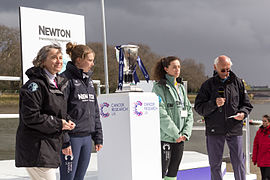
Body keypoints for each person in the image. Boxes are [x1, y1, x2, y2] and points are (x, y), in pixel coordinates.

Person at [15, 44, 76, 180]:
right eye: (54, 57)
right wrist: (59, 123)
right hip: (36, 149)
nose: (59, 61)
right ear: (42, 61)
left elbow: (57, 112)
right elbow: (31, 116)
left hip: (48, 146)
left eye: (60, 57)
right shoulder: (34, 85)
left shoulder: (58, 83)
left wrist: (67, 121)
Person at [194, 55, 253, 180]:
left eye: (228, 69)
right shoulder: (207, 85)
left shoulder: (238, 83)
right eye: (223, 70)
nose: (226, 73)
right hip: (214, 130)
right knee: (215, 164)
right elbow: (199, 107)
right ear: (215, 67)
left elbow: (247, 105)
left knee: (238, 163)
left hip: (234, 128)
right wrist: (214, 104)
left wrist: (242, 113)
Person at [59, 42, 103, 180]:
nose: (92, 63)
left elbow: (95, 111)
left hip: (86, 138)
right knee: (68, 177)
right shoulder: (65, 79)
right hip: (72, 138)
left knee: (80, 177)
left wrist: (98, 137)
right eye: (89, 60)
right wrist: (65, 140)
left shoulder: (88, 81)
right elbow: (60, 112)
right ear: (79, 60)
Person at [152, 56, 194, 180]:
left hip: (180, 139)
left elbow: (189, 112)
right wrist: (176, 134)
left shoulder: (180, 88)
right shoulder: (158, 88)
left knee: (173, 173)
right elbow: (161, 114)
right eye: (174, 67)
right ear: (166, 69)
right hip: (167, 138)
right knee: (162, 173)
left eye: (179, 67)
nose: (177, 69)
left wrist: (186, 133)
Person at [252, 115, 270, 180]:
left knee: (267, 178)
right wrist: (254, 159)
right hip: (261, 160)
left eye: (265, 121)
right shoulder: (259, 132)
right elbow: (255, 146)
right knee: (263, 177)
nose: (263, 123)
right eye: (263, 121)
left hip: (269, 160)